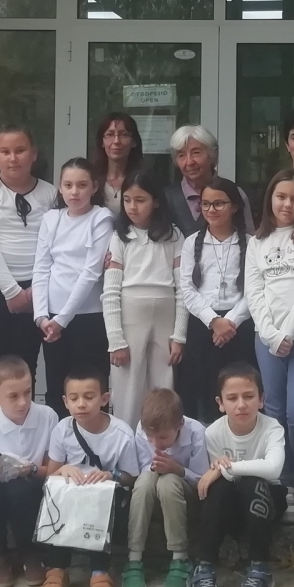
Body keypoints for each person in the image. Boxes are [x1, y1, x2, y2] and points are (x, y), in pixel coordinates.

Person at [0, 125, 59, 406]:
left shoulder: (50, 193)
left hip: (38, 289)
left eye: (20, 150)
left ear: (33, 154)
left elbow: (57, 245)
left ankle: (23, 423)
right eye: (5, 152)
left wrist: (34, 290)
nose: (13, 158)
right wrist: (12, 291)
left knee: (26, 364)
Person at [244, 169, 294, 486]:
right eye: (281, 197)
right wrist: (271, 334)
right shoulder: (257, 241)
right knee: (274, 413)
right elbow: (254, 292)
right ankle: (281, 480)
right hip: (266, 339)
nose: (287, 204)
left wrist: (287, 333)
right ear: (270, 199)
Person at [39, 366, 141, 587]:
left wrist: (111, 475)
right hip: (70, 496)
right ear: (65, 401)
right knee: (56, 493)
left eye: (89, 397)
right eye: (74, 398)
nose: (81, 404)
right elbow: (51, 474)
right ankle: (57, 568)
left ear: (104, 399)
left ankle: (99, 572)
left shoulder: (121, 433)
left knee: (98, 500)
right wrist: (63, 469)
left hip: (107, 498)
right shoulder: (63, 429)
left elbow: (132, 477)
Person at [192, 363, 288, 587]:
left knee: (250, 480)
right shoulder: (213, 432)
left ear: (261, 399)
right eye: (232, 398)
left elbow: (273, 469)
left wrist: (227, 467)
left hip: (266, 504)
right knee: (218, 487)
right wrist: (222, 472)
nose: (241, 404)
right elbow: (213, 479)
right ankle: (205, 567)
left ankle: (260, 567)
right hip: (231, 508)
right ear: (220, 403)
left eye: (249, 396)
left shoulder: (272, 428)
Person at [0, 355, 57, 587]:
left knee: (20, 488)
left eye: (28, 392)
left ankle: (30, 553)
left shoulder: (47, 416)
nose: (23, 402)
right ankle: (0, 556)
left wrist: (32, 468)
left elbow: (53, 469)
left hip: (32, 485)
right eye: (13, 396)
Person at [104, 171, 187, 429]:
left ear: (156, 201)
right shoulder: (120, 237)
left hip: (165, 315)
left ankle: (163, 440)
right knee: (127, 387)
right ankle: (126, 441)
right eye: (127, 200)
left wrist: (179, 335)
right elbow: (110, 292)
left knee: (163, 384)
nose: (133, 207)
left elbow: (183, 289)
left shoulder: (174, 236)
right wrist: (116, 340)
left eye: (140, 200)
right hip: (130, 315)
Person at [33, 158, 115, 412]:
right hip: (52, 320)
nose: (74, 192)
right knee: (57, 387)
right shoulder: (51, 218)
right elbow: (41, 268)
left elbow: (90, 272)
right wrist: (41, 316)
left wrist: (62, 319)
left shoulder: (101, 218)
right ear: (60, 188)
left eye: (82, 185)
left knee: (90, 386)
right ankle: (58, 435)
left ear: (94, 187)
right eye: (68, 185)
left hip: (88, 317)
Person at [175, 178, 257, 424]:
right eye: (206, 204)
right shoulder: (192, 242)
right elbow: (187, 288)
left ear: (234, 207)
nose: (211, 209)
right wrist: (213, 321)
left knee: (236, 387)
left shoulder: (251, 243)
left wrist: (230, 321)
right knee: (199, 389)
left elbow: (255, 289)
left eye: (219, 203)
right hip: (203, 325)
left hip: (239, 327)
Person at [123, 389, 211, 587]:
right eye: (150, 437)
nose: (155, 442)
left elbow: (202, 480)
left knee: (169, 482)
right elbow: (143, 468)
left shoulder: (196, 432)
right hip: (152, 493)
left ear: (180, 425)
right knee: (145, 481)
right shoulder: (143, 429)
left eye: (162, 437)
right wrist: (156, 469)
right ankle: (134, 558)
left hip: (186, 497)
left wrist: (178, 470)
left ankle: (180, 558)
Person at [163, 126, 254, 238]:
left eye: (196, 153)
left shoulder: (234, 193)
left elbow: (249, 240)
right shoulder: (166, 197)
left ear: (212, 155)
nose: (189, 162)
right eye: (181, 155)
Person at [92, 113, 144, 215]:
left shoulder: (142, 179)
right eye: (110, 135)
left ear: (134, 142)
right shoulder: (91, 178)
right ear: (102, 142)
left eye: (123, 135)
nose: (116, 141)